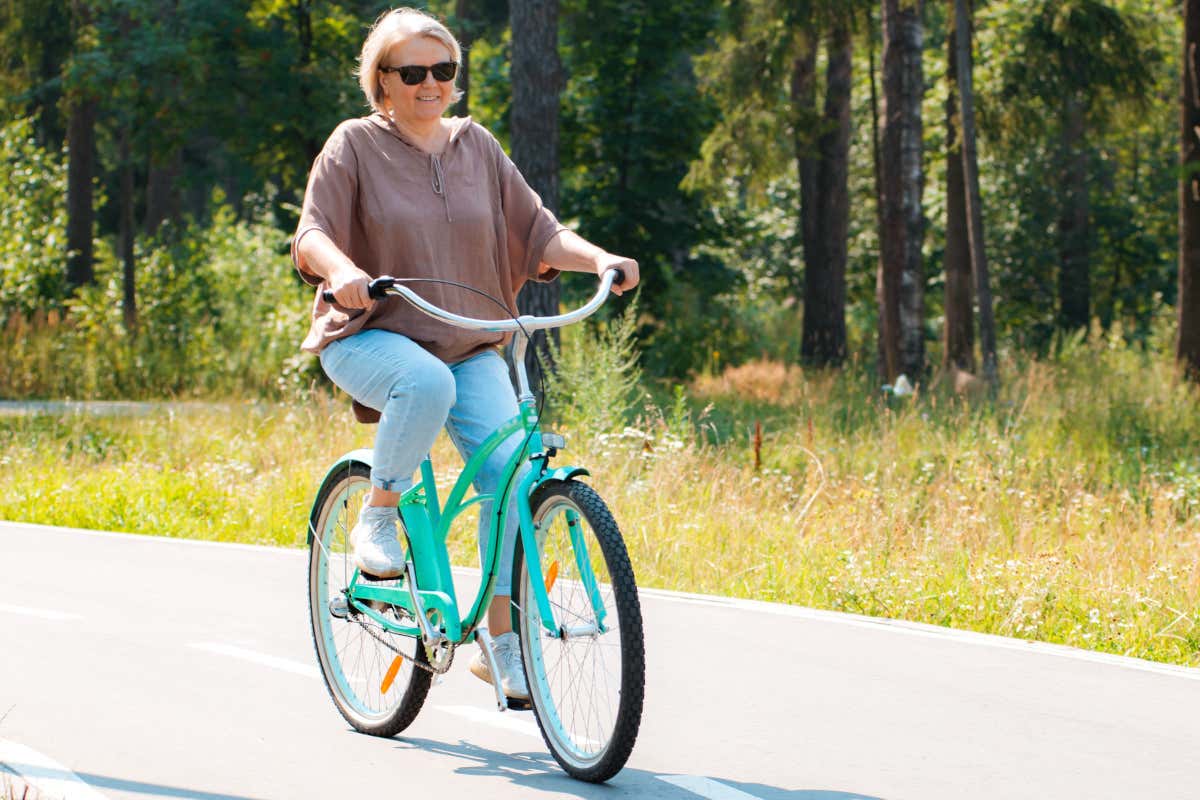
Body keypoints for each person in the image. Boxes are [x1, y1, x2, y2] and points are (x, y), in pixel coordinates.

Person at [291, 7, 639, 701]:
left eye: (443, 69)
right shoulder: (353, 144)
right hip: (370, 336)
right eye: (412, 72)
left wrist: (600, 258)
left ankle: (501, 640)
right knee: (426, 385)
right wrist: (342, 270)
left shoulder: (477, 146)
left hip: (469, 339)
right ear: (382, 81)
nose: (430, 83)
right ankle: (379, 515)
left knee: (512, 479)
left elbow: (540, 233)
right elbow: (313, 234)